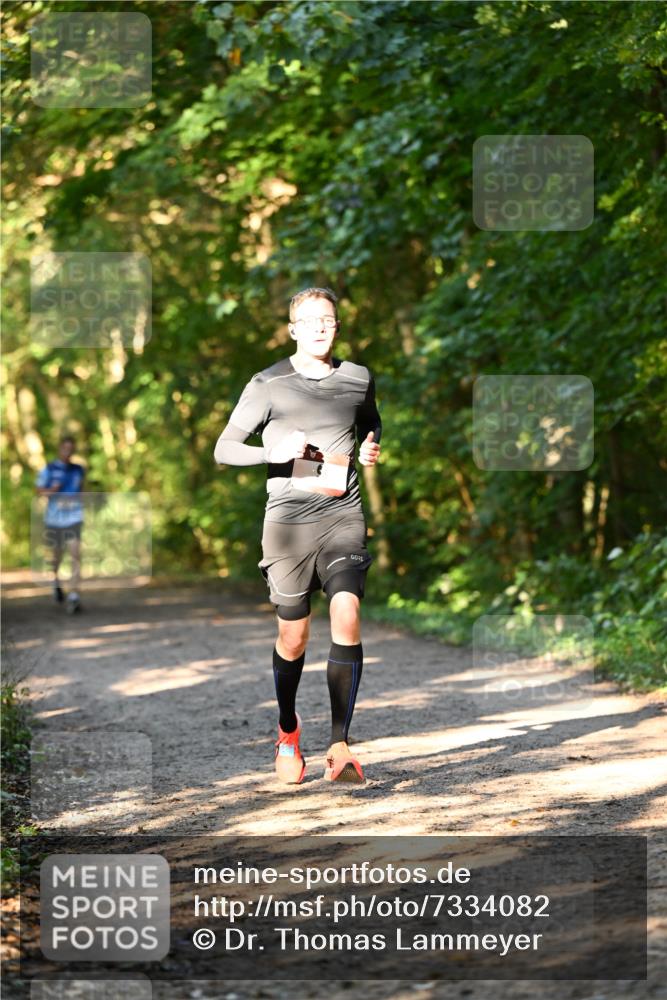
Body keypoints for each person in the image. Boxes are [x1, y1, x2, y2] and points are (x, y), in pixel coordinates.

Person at [214, 287, 382, 785]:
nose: (318, 327)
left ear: (336, 325)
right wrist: (272, 453)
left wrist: (372, 448)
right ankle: (288, 729)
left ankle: (339, 744)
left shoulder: (357, 377)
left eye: (326, 319)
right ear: (292, 329)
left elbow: (370, 424)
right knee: (294, 635)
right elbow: (224, 449)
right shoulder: (268, 383)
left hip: (342, 513)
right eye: (308, 321)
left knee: (347, 613)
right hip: (287, 524)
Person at [35, 435, 85, 613]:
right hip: (55, 519)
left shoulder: (79, 469)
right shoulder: (49, 468)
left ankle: (74, 595)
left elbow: (82, 490)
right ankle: (55, 582)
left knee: (75, 554)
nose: (68, 452)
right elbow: (39, 491)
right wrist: (51, 491)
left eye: (71, 449)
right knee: (57, 556)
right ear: (60, 449)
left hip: (74, 518)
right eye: (65, 448)